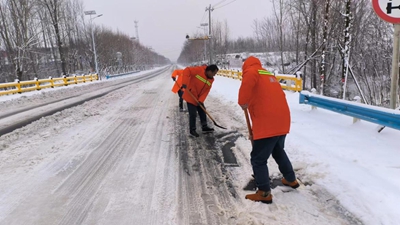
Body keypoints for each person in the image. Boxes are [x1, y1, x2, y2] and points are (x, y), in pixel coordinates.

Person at [238, 56, 299, 204]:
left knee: (258, 158)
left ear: (245, 66)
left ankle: (264, 192)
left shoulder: (251, 72)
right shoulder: (267, 74)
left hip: (267, 121)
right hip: (282, 119)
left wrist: (242, 101)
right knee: (278, 150)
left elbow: (247, 85)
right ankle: (291, 179)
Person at [181, 64, 219, 137]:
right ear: (209, 71)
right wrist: (184, 82)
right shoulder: (199, 70)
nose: (214, 75)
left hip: (198, 98)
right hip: (190, 95)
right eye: (214, 73)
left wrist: (201, 100)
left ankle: (204, 127)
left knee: (202, 110)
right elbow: (187, 70)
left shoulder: (211, 80)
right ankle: (192, 130)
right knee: (193, 114)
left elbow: (206, 91)